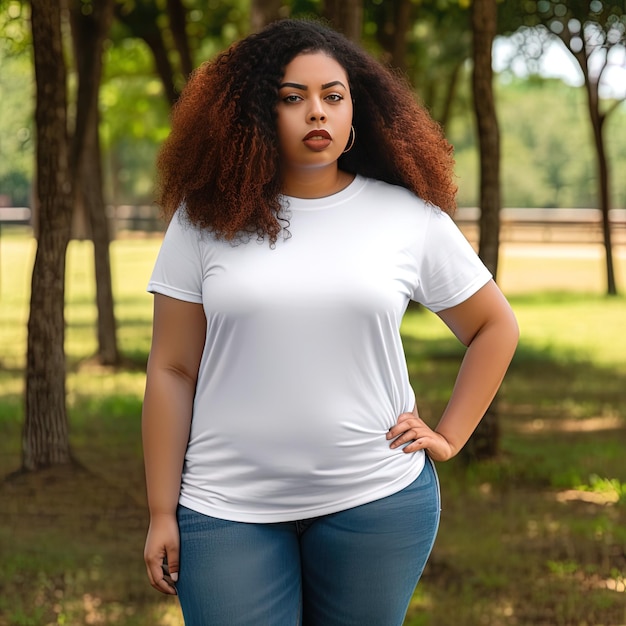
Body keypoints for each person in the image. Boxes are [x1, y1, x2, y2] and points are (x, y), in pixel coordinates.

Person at [142, 18, 519, 626]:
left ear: (354, 113)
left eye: (332, 96)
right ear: (254, 117)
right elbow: (172, 368)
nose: (316, 112)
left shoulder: (406, 217)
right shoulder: (202, 220)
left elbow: (494, 328)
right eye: (292, 98)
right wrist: (162, 511)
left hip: (376, 501)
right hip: (225, 507)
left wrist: (448, 436)